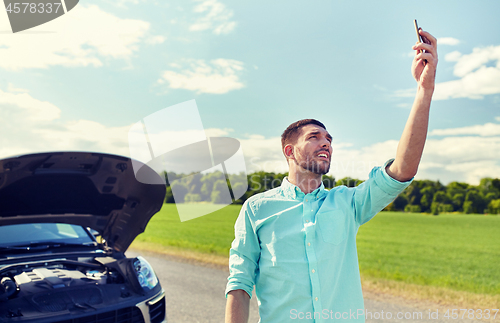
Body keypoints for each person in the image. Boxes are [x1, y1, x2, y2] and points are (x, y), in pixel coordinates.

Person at [225, 28, 438, 323]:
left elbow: (402, 169)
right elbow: (240, 282)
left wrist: (424, 90)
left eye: (329, 138)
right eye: (314, 137)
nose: (326, 142)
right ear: (289, 151)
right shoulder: (257, 209)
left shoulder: (348, 203)